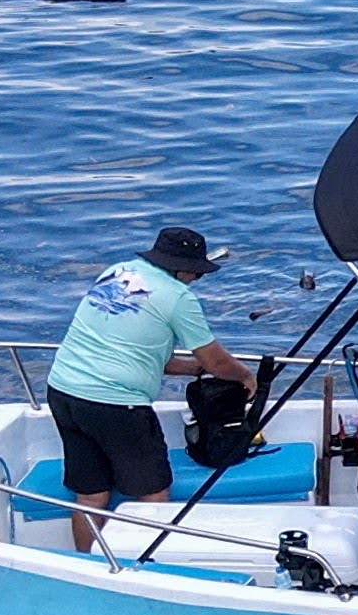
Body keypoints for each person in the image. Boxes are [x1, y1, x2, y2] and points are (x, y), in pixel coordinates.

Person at [42, 227, 251, 552]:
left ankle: (85, 564)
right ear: (180, 267)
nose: (197, 277)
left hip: (63, 391)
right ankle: (147, 570)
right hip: (116, 405)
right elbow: (215, 362)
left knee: (90, 494)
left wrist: (191, 368)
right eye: (196, 271)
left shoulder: (117, 272)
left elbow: (136, 351)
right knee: (153, 493)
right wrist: (245, 377)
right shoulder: (179, 298)